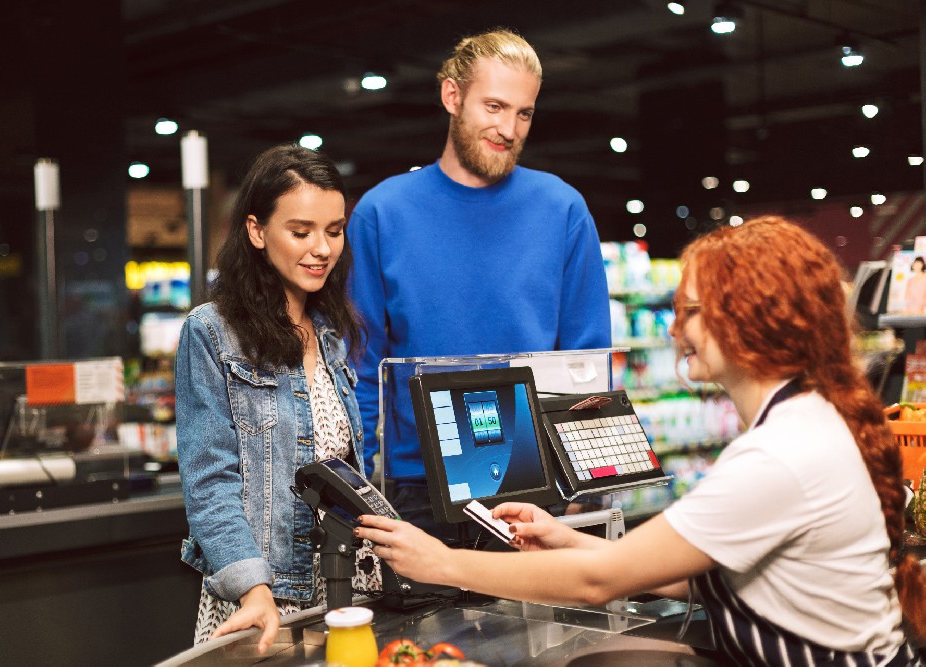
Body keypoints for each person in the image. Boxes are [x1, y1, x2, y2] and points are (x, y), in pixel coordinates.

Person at [357, 216, 926, 665]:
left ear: (753, 321)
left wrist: (441, 562)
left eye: (692, 312)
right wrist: (565, 538)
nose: (676, 329)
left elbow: (598, 584)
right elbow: (699, 573)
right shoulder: (805, 422)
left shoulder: (779, 456)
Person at [348, 28, 611, 525]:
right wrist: (358, 484)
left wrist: (588, 473)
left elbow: (587, 358)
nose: (509, 128)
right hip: (414, 487)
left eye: (524, 112)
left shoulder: (563, 209)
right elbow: (362, 363)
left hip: (537, 483)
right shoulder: (383, 212)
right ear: (453, 96)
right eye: (494, 106)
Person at [175, 143, 377, 652]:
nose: (323, 248)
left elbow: (350, 471)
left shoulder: (329, 333)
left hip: (346, 588)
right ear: (256, 230)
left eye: (334, 230)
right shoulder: (211, 332)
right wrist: (253, 587)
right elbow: (209, 482)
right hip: (264, 597)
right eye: (301, 231)